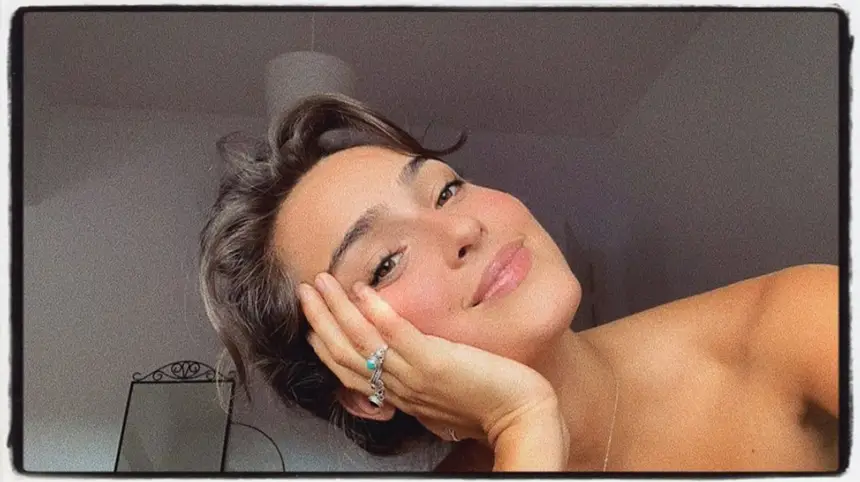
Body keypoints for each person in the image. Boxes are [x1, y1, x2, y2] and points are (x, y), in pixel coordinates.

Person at [199, 93, 839, 472]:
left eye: (445, 190)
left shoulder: (802, 319)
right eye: (386, 261)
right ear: (363, 384)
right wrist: (524, 424)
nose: (463, 228)